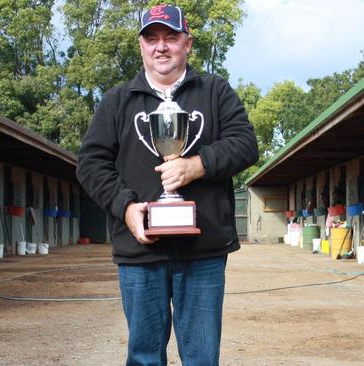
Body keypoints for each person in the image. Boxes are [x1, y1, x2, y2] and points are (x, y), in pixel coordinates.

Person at [76, 4, 258, 365]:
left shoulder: (215, 92)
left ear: (187, 44)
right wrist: (126, 207)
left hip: (204, 251)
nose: (161, 47)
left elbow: (245, 144)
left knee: (202, 358)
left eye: (170, 38)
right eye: (152, 38)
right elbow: (91, 164)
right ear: (141, 46)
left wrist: (197, 165)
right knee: (143, 356)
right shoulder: (117, 101)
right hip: (140, 252)